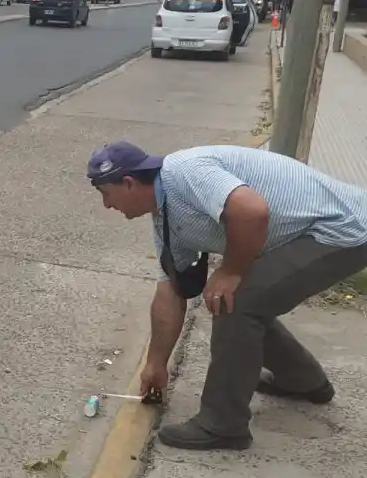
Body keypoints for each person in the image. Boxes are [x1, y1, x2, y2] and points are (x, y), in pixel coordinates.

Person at [87, 141, 367, 451]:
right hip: (311, 232)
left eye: (105, 194)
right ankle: (301, 379)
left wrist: (230, 271)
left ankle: (222, 424)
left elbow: (251, 211)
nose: (107, 206)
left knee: (236, 300)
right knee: (245, 298)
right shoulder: (165, 219)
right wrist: (156, 363)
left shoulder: (183, 172)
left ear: (128, 183)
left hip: (342, 228)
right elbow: (171, 292)